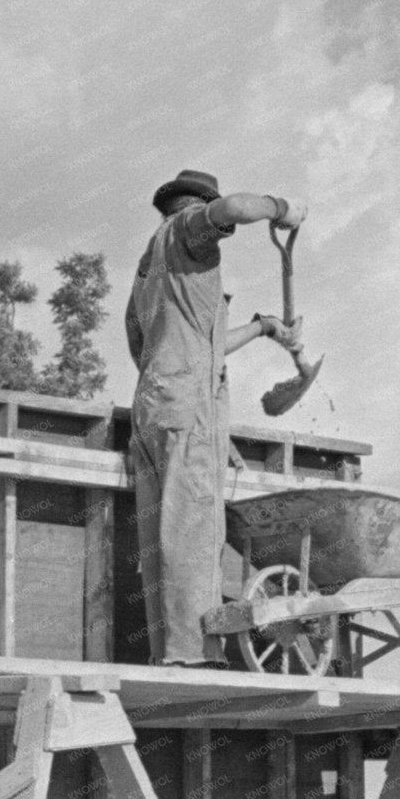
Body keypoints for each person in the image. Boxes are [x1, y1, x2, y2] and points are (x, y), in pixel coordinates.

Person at [126, 169, 305, 668]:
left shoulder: (148, 269)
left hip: (155, 405)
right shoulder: (189, 231)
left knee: (161, 535)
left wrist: (264, 327)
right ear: (195, 206)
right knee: (194, 529)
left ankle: (171, 653)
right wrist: (282, 207)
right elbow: (236, 209)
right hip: (189, 407)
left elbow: (156, 345)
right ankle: (196, 655)